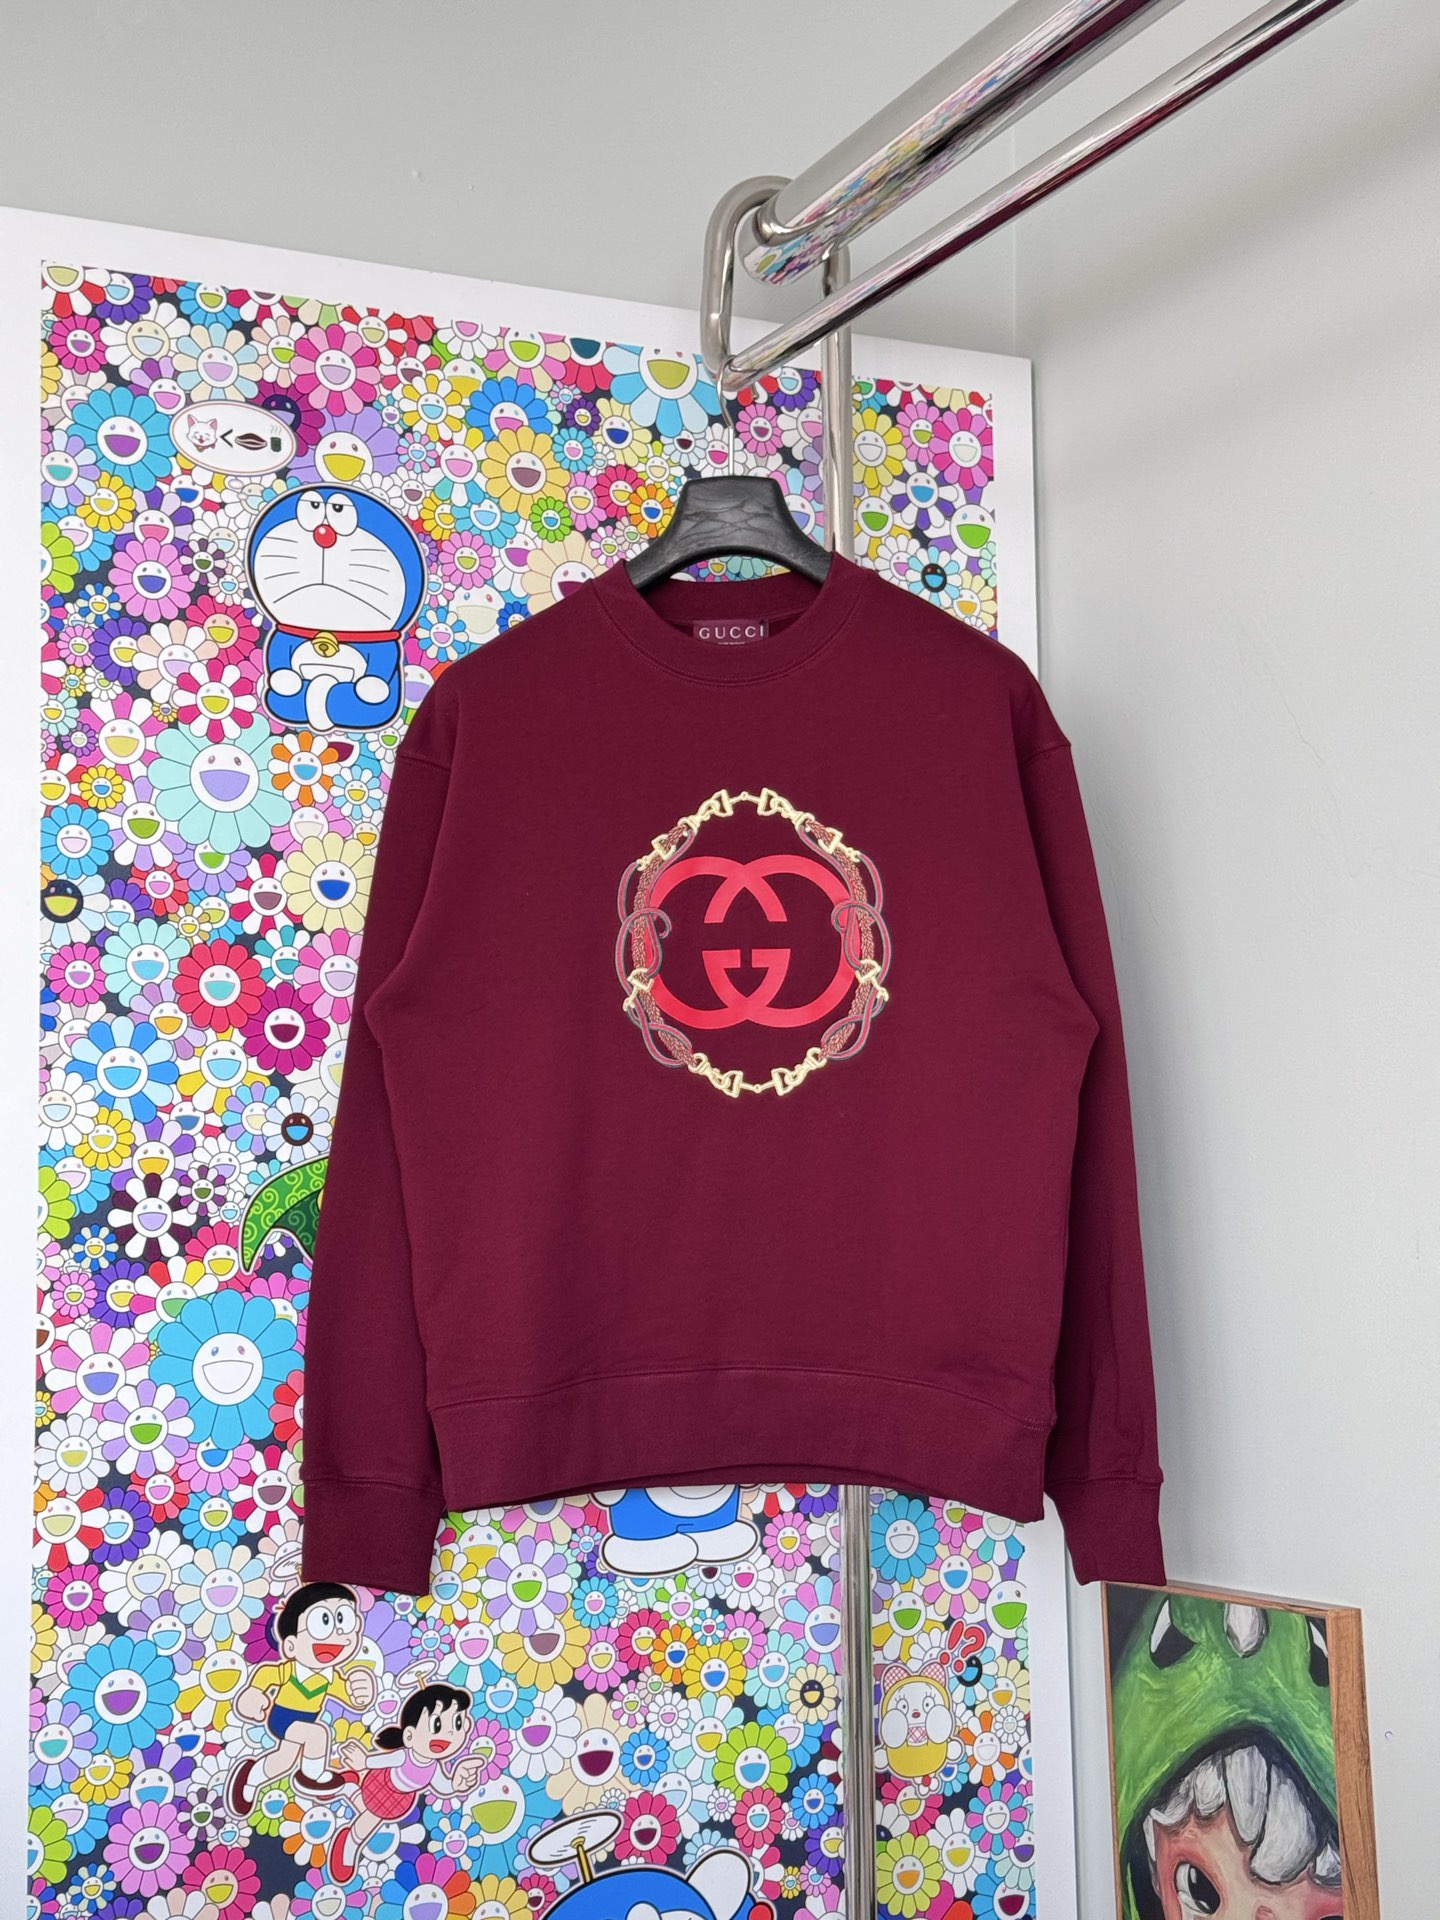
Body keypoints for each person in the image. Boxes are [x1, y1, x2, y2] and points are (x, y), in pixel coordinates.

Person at [224, 1580, 376, 1817]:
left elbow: (351, 1698)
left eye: (344, 1621)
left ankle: (250, 1779)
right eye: (323, 1622)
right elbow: (265, 1676)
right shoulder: (289, 1670)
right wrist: (252, 1697)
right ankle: (311, 1775)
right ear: (291, 1646)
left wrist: (361, 1692)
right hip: (282, 1718)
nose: (336, 1635)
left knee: (283, 1761)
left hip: (304, 1722)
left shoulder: (330, 1678)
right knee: (318, 1734)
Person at [328, 1680, 485, 1883]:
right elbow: (381, 1761)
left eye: (457, 1724)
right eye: (437, 1725)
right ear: (409, 1735)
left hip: (401, 1800)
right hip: (382, 1786)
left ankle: (348, 1787)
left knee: (370, 1811)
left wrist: (456, 1784)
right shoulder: (404, 1756)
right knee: (370, 1818)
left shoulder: (433, 1768)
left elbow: (444, 1787)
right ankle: (349, 1845)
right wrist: (363, 1761)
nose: (448, 1734)